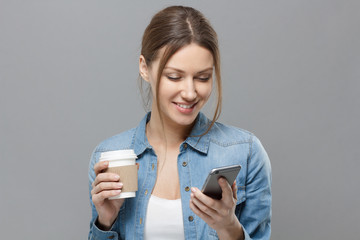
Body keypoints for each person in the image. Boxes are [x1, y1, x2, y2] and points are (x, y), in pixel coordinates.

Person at [88, 5, 271, 240]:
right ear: (144, 67)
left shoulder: (245, 152)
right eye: (174, 76)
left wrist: (228, 227)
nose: (190, 92)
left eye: (203, 77)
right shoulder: (109, 156)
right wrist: (106, 221)